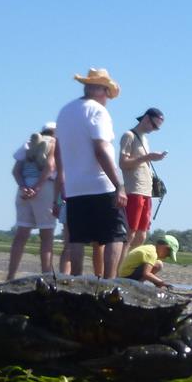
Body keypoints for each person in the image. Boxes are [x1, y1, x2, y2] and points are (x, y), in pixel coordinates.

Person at [54, 67, 130, 278]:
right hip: (100, 183)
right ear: (100, 90)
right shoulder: (98, 111)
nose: (108, 99)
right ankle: (109, 282)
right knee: (115, 234)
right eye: (107, 93)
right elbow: (100, 149)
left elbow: (58, 151)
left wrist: (61, 182)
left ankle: (76, 280)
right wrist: (119, 184)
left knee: (77, 237)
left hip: (75, 187)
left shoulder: (65, 111)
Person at [7, 123, 59, 280]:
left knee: (21, 235)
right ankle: (46, 276)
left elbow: (15, 171)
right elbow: (50, 167)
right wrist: (37, 188)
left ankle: (10, 276)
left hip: (23, 189)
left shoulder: (28, 144)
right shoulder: (54, 143)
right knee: (47, 236)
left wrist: (24, 187)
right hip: (45, 188)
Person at [117, 107, 167, 251]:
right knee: (130, 233)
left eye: (157, 128)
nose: (154, 129)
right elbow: (123, 163)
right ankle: (120, 264)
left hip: (146, 191)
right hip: (134, 190)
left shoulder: (145, 139)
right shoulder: (129, 136)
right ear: (146, 118)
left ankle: (129, 262)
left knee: (141, 235)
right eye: (154, 125)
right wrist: (148, 157)